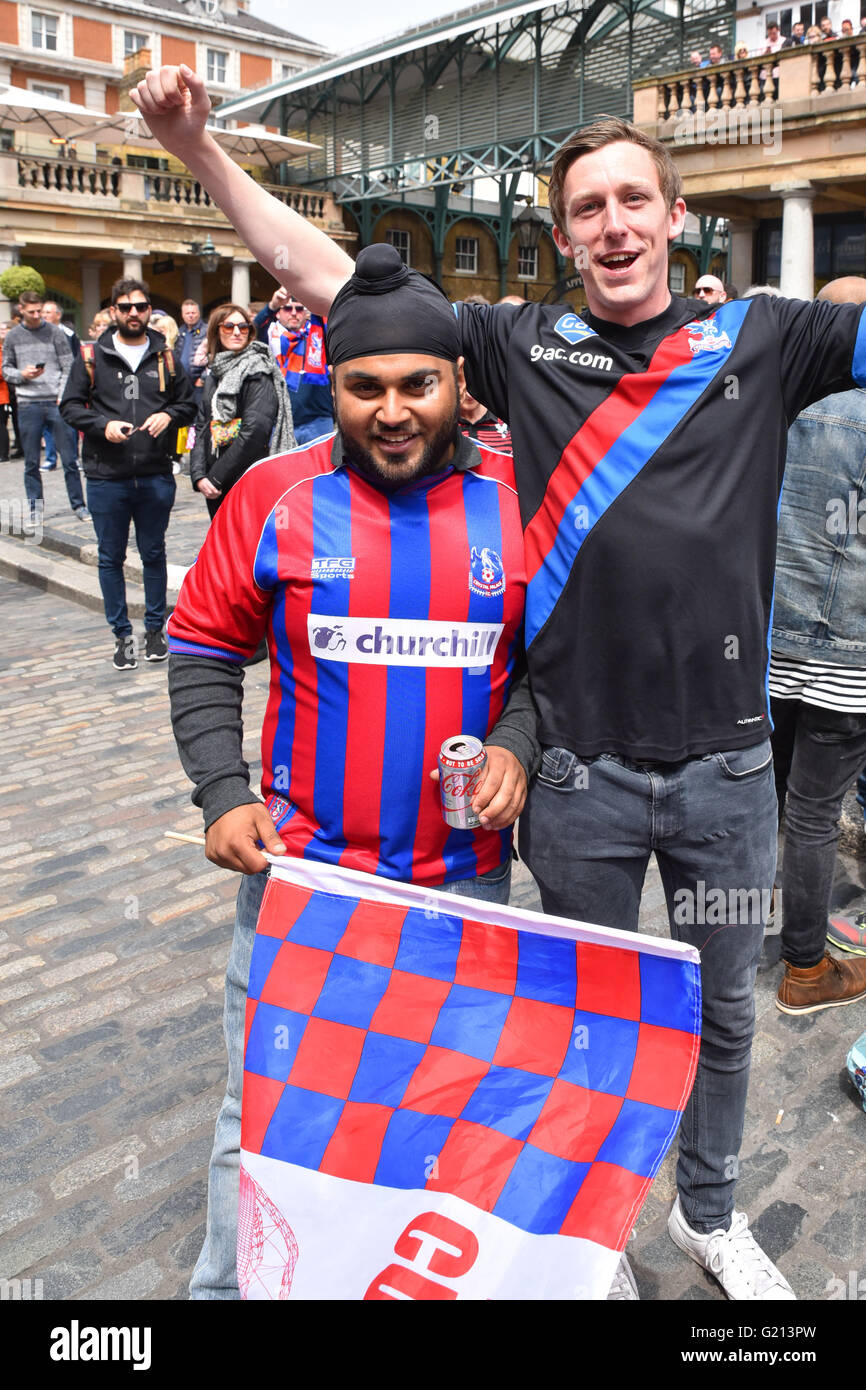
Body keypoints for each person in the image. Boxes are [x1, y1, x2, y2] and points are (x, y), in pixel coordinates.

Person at [135, 64, 866, 1303]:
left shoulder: (761, 335)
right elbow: (329, 275)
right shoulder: (518, 344)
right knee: (571, 1035)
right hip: (573, 781)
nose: (614, 225)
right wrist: (204, 158)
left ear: (675, 213)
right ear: (562, 230)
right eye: (587, 208)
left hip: (734, 782)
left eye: (634, 200)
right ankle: (579, 1239)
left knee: (728, 1013)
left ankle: (708, 1210)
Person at [166, 244, 534, 1299]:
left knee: (433, 1115)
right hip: (301, 886)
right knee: (265, 1121)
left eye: (418, 383)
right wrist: (223, 792)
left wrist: (517, 740)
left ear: (460, 384)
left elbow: (545, 667)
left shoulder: (518, 500)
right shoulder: (274, 493)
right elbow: (199, 644)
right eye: (362, 386)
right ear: (329, 383)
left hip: (461, 888)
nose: (391, 409)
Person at [770, 277, 866, 1013]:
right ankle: (806, 969)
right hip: (847, 658)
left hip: (771, 647)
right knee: (812, 813)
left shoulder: (781, 406)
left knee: (771, 805)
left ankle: (757, 935)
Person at [60, 277, 196, 670]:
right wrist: (101, 425)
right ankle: (122, 635)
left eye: (140, 306)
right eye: (125, 307)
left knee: (154, 554)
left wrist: (167, 414)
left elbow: (187, 405)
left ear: (149, 309)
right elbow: (69, 407)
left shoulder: (166, 356)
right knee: (110, 557)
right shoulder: (91, 355)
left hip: (154, 473)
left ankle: (155, 630)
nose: (134, 313)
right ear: (113, 311)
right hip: (107, 475)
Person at [190, 302, 294, 519]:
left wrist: (216, 477)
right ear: (216, 332)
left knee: (247, 547)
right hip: (215, 478)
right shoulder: (215, 372)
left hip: (247, 476)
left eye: (243, 327)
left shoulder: (258, 370)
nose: (237, 332)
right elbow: (202, 425)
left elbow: (256, 430)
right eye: (229, 326)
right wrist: (199, 474)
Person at [2, 290, 88, 522]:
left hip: (55, 402)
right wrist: (22, 374)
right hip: (28, 403)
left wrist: (62, 395)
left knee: (70, 459)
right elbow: (6, 369)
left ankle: (79, 505)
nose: (37, 315)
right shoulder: (13, 337)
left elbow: (68, 365)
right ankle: (35, 508)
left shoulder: (54, 333)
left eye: (40, 310)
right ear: (21, 310)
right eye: (32, 311)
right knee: (31, 461)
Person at [257, 290, 334, 445]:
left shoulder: (318, 333)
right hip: (281, 420)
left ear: (305, 313)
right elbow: (254, 328)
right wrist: (272, 305)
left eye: (299, 309)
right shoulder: (272, 337)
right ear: (278, 314)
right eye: (287, 308)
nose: (293, 313)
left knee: (321, 469)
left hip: (318, 420)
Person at [41, 300, 80, 471]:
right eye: (43, 312)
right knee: (46, 424)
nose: (44, 315)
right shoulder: (37, 334)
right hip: (44, 385)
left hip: (65, 385)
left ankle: (72, 457)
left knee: (68, 423)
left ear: (58, 315)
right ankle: (50, 458)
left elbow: (75, 359)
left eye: (48, 312)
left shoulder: (69, 334)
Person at [459, 373, 512, 453]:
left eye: (474, 384)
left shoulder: (508, 420)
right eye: (463, 385)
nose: (469, 394)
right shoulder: (444, 426)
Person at [176, 298, 208, 405]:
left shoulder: (207, 331)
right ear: (182, 315)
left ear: (198, 314)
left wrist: (203, 378)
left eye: (193, 313)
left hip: (199, 384)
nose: (190, 315)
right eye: (187, 313)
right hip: (183, 383)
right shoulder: (179, 332)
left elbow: (214, 357)